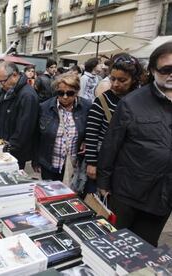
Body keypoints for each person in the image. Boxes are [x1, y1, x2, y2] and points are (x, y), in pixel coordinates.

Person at [97, 42, 172, 247]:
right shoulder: (132, 103)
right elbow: (111, 144)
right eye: (166, 69)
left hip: (163, 198)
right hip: (127, 194)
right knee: (114, 245)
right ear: (153, 71)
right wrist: (103, 183)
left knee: (144, 251)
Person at [84, 53, 143, 193]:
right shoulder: (103, 100)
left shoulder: (142, 101)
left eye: (122, 80)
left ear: (134, 80)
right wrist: (91, 163)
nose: (116, 84)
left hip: (130, 165)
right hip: (103, 162)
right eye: (113, 79)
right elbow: (92, 133)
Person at [34, 72, 91, 182]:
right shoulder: (44, 107)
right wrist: (36, 160)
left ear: (77, 92)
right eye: (60, 93)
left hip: (74, 166)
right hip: (49, 165)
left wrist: (85, 140)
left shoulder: (86, 107)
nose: (65, 97)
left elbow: (91, 130)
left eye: (69, 93)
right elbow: (36, 136)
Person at [0, 61, 39, 169]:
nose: (1, 84)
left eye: (3, 81)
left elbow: (24, 129)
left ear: (14, 75)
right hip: (2, 145)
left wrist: (9, 148)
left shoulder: (27, 96)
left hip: (14, 152)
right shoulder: (6, 90)